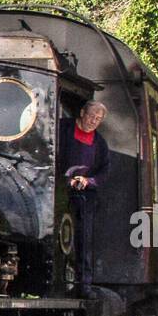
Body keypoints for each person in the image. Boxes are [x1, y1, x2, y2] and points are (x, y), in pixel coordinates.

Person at [58, 100, 110, 297]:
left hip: (83, 194)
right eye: (91, 116)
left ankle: (83, 285)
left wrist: (89, 181)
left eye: (97, 119)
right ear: (82, 112)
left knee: (84, 238)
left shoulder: (100, 143)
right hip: (57, 187)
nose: (93, 122)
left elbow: (104, 172)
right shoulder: (63, 129)